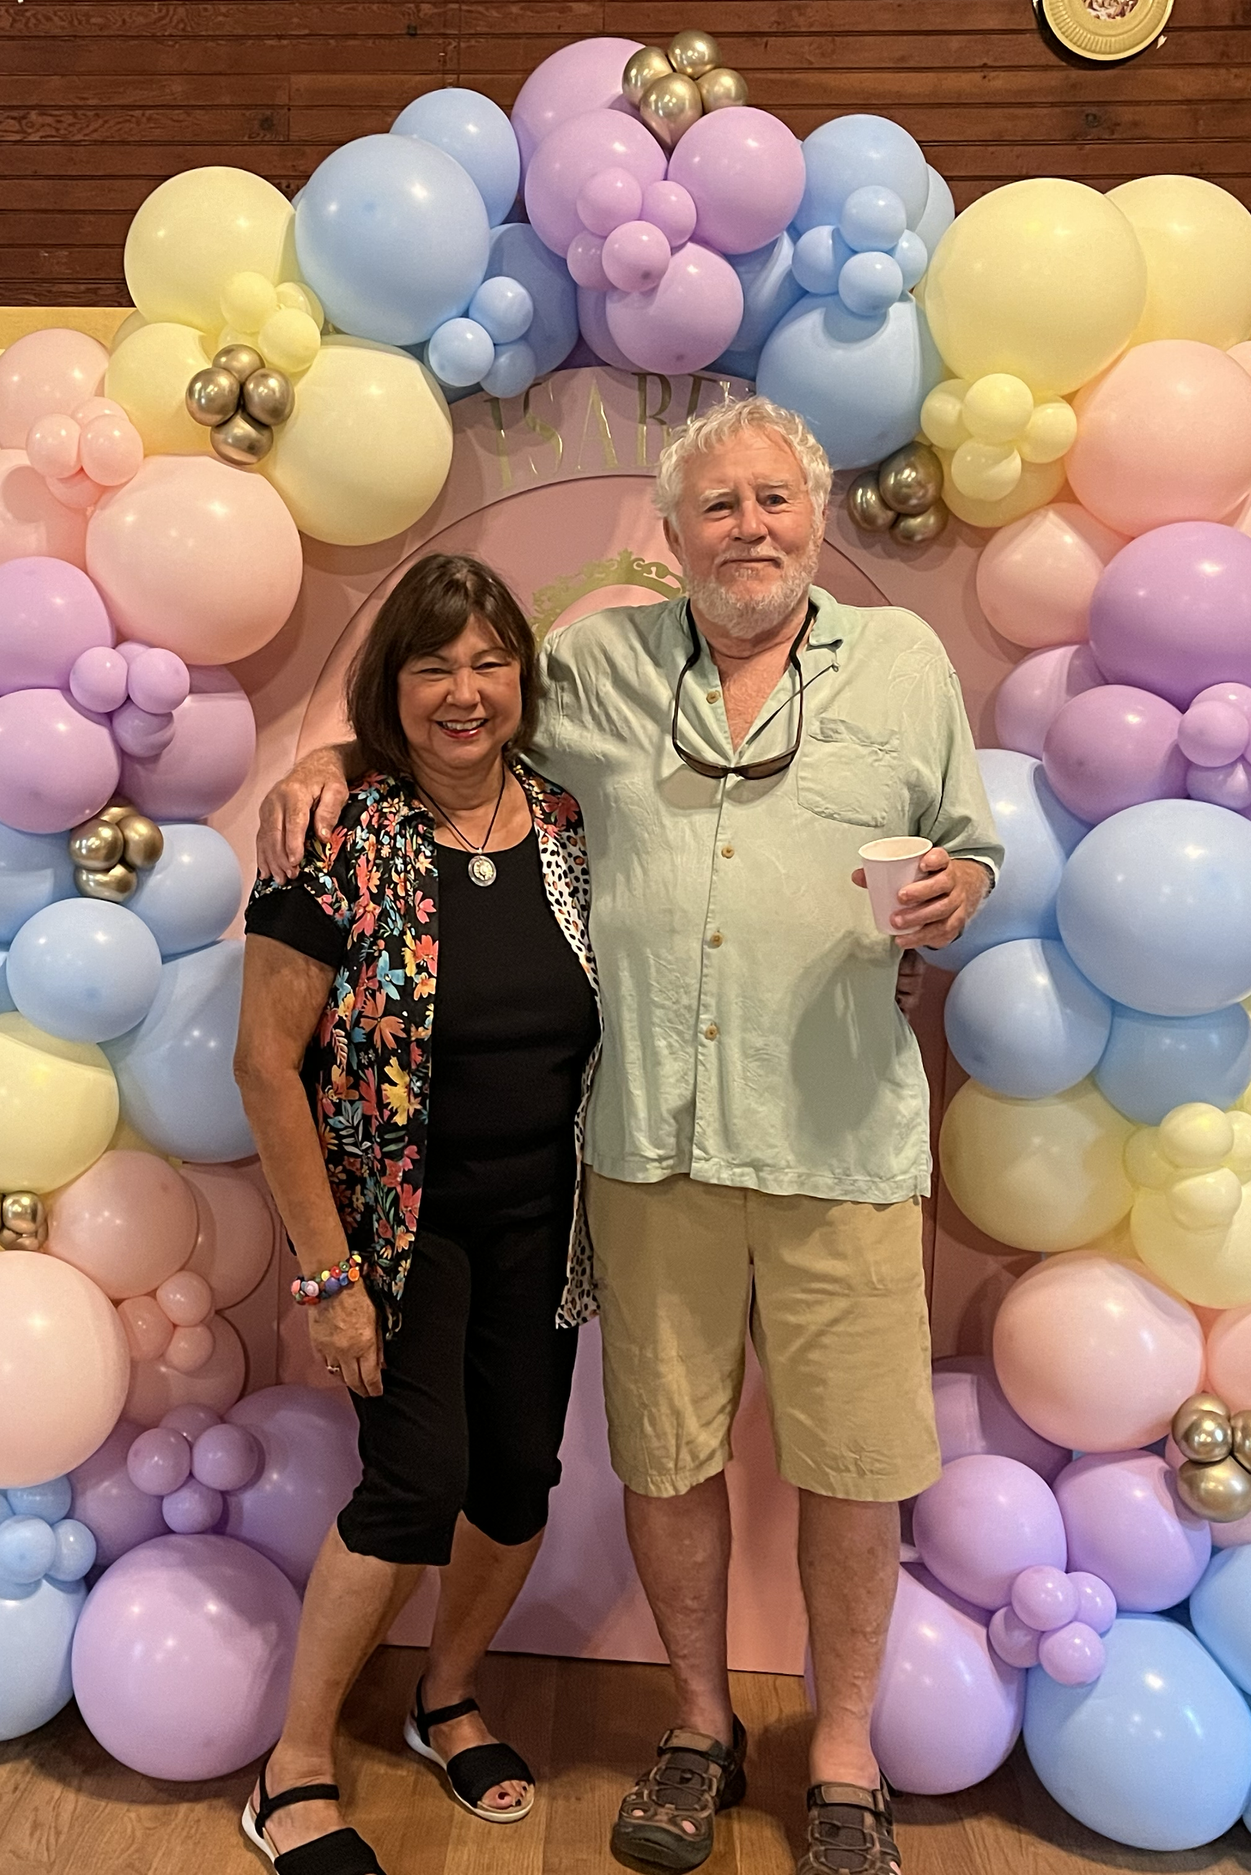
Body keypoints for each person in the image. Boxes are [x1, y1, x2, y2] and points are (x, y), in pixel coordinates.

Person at [259, 398, 1000, 1875]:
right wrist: (327, 761)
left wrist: (963, 889)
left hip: (837, 1139)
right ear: (672, 536)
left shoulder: (904, 664)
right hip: (647, 1149)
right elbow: (443, 719)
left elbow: (969, 843)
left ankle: (842, 1755)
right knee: (664, 1457)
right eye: (717, 505)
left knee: (852, 1464)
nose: (750, 527)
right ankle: (699, 1723)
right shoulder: (598, 662)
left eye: (774, 499)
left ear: (816, 513)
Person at [233, 554, 600, 1875]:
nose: (465, 690)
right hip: (397, 1232)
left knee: (515, 1477)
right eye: (433, 663)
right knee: (414, 1480)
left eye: (489, 660)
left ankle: (446, 1697)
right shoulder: (335, 832)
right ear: (391, 686)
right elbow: (264, 1064)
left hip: (548, 1223)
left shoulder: (569, 822)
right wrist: (327, 1281)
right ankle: (295, 1769)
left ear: (522, 677)